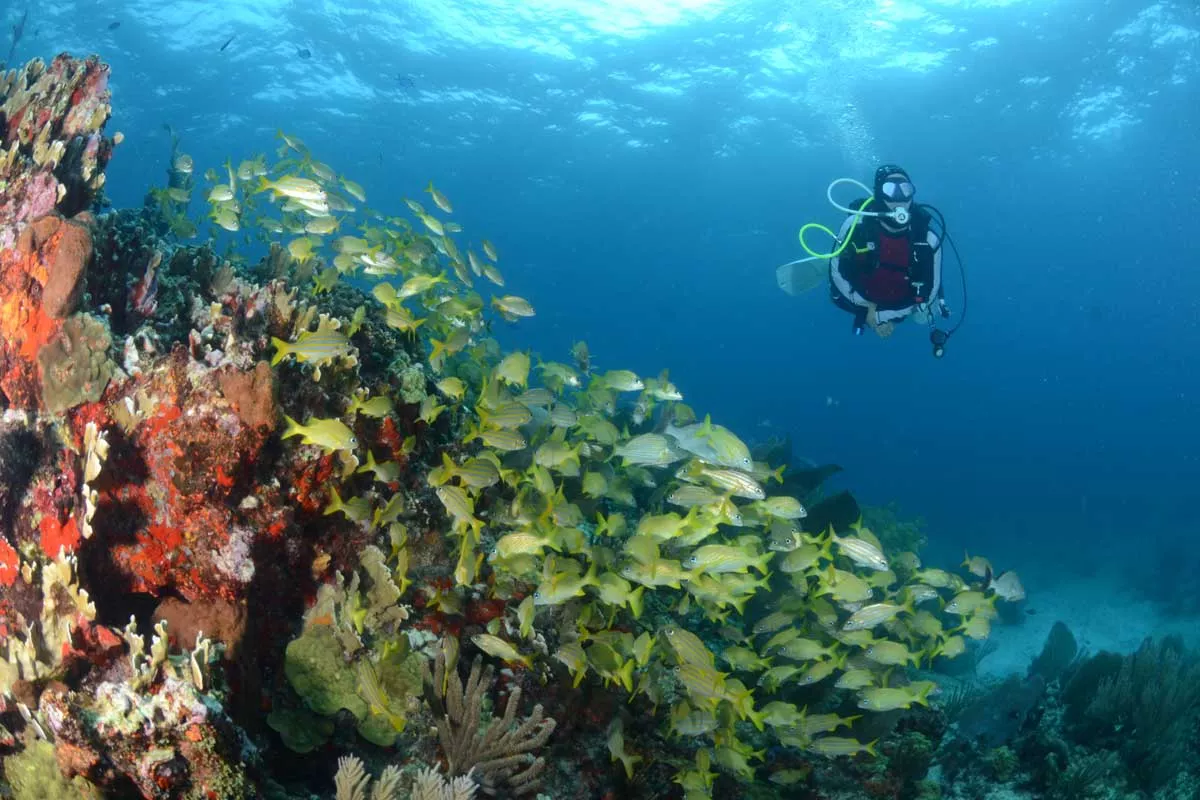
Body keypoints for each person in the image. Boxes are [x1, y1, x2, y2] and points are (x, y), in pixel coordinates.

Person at [829, 165, 944, 338]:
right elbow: (837, 275)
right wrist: (867, 307)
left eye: (905, 189)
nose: (899, 198)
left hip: (899, 305)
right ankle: (831, 258)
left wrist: (878, 316)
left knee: (921, 311)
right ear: (879, 195)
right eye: (890, 189)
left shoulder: (928, 240)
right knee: (836, 293)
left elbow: (929, 294)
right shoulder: (856, 224)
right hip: (856, 297)